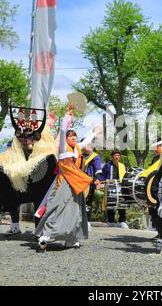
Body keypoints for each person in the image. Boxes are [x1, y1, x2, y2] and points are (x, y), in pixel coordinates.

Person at [33, 105, 102, 252]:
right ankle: (46, 236)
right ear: (66, 138)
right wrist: (67, 115)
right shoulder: (63, 147)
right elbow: (63, 129)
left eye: (75, 136)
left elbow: (86, 141)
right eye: (71, 136)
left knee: (76, 211)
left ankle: (72, 239)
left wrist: (94, 132)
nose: (74, 138)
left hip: (75, 183)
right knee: (56, 207)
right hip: (64, 182)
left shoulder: (77, 147)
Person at [102, 150, 128, 228]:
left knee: (121, 204)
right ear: (112, 156)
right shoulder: (107, 165)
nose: (117, 157)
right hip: (110, 186)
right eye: (115, 155)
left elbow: (125, 176)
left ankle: (122, 221)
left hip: (120, 186)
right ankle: (111, 221)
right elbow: (103, 175)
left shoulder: (122, 166)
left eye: (118, 155)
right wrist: (102, 182)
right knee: (110, 203)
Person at [82, 140, 103, 221]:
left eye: (90, 144)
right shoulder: (80, 155)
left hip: (89, 182)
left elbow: (98, 169)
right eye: (87, 144)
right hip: (78, 182)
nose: (89, 145)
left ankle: (87, 221)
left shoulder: (95, 156)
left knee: (88, 202)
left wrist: (97, 179)